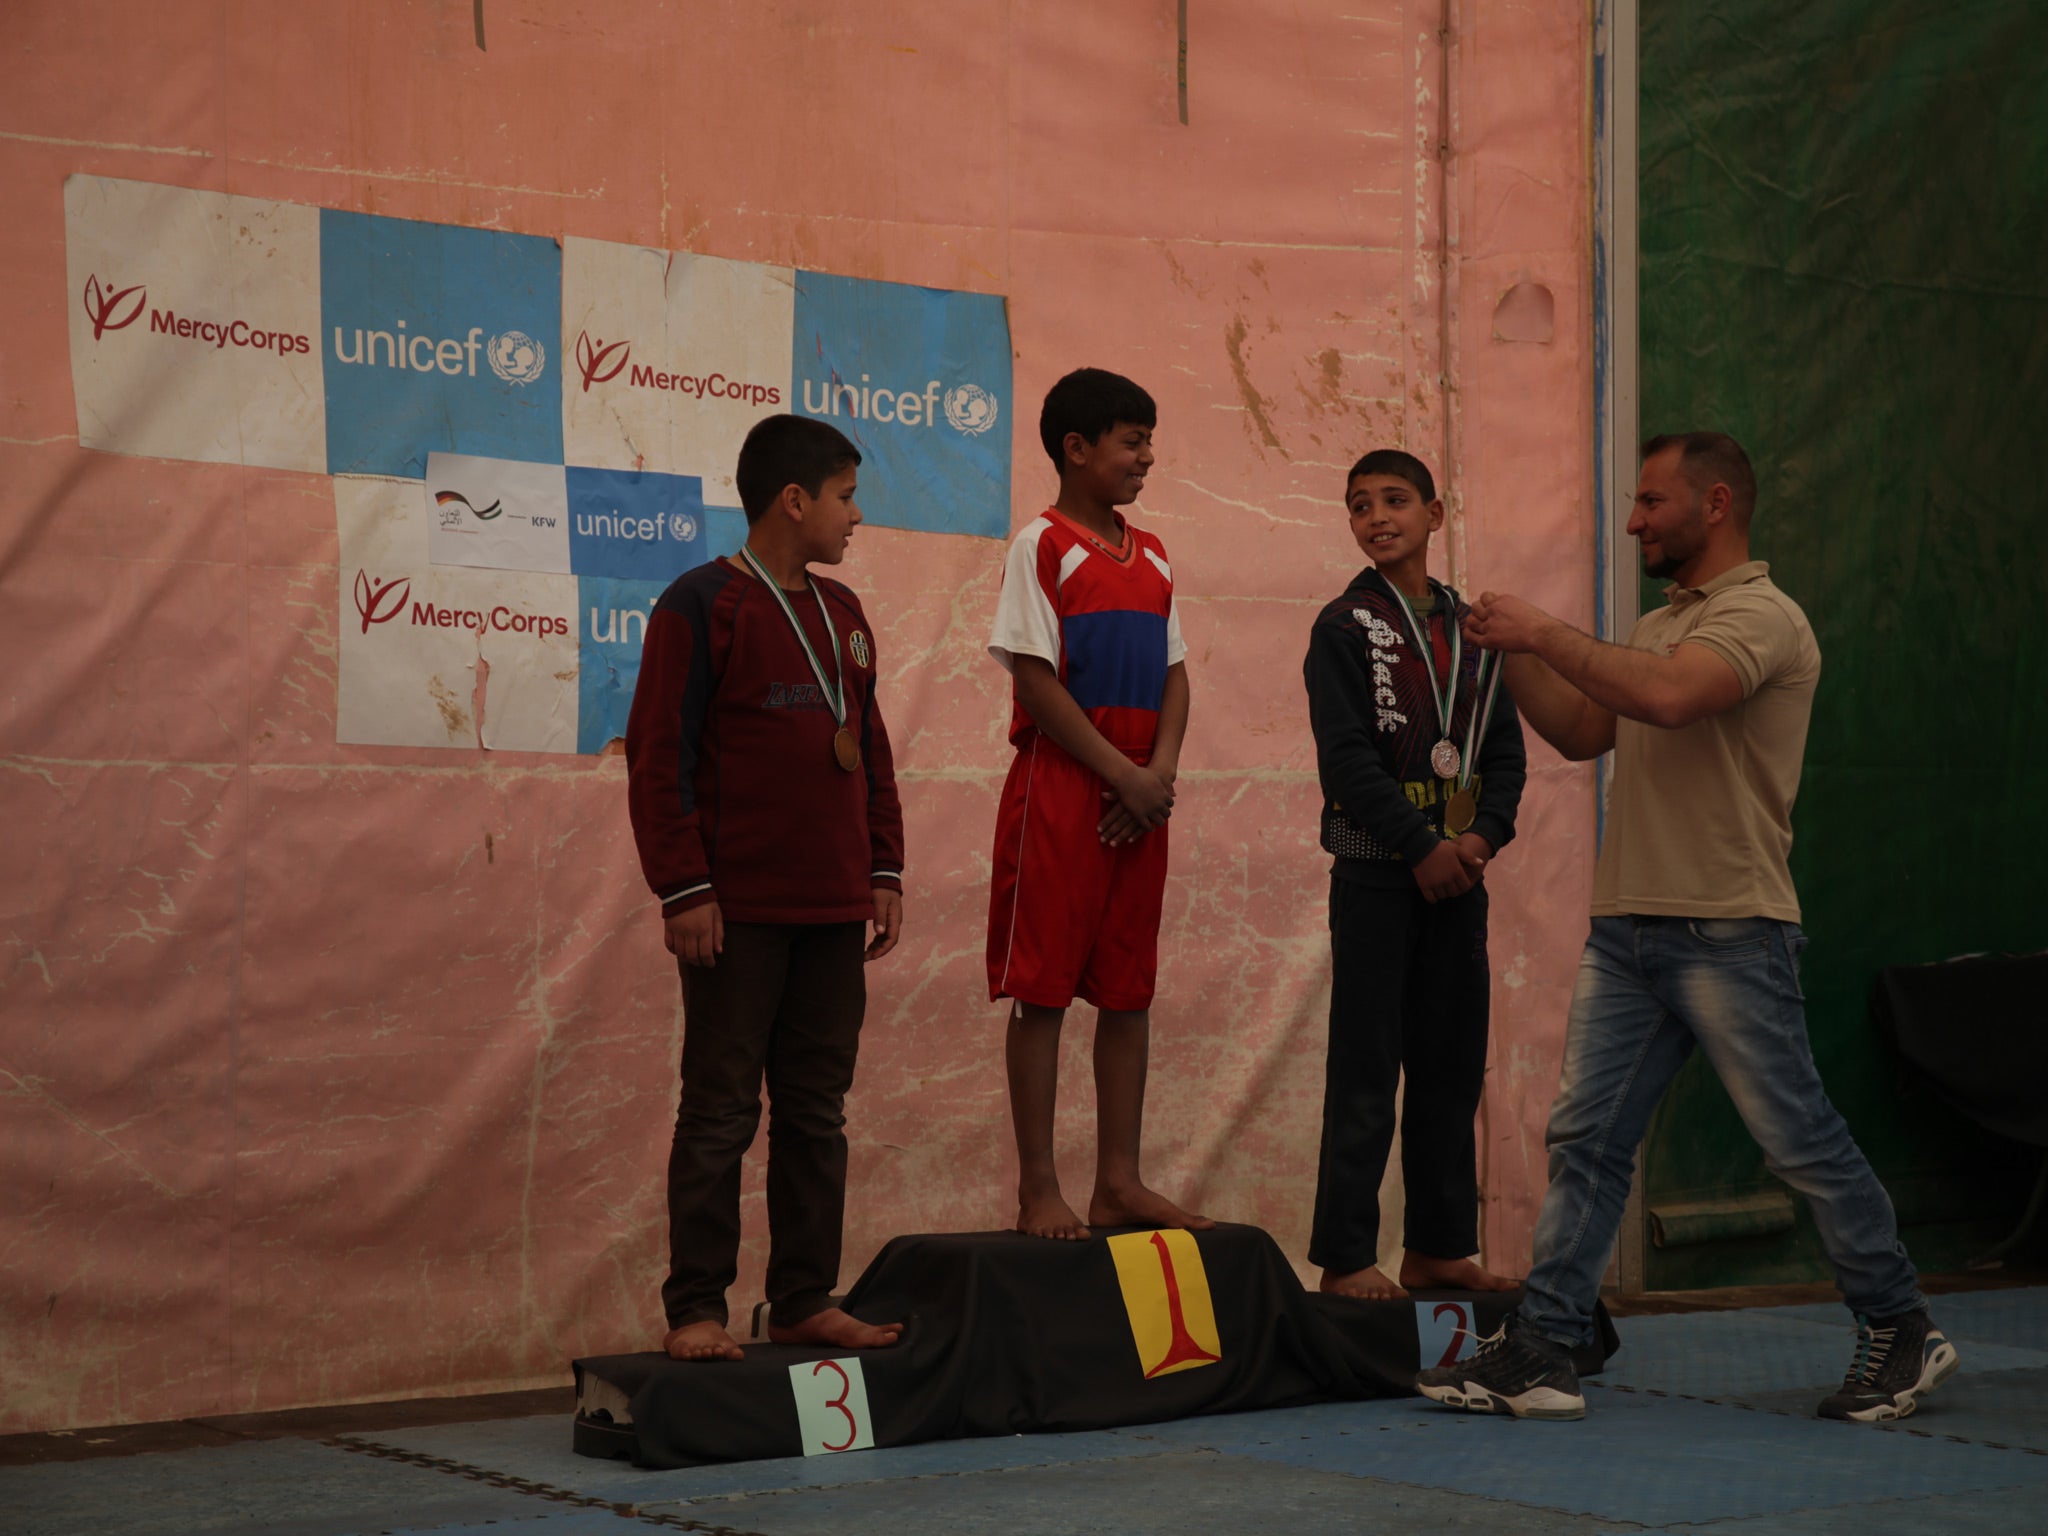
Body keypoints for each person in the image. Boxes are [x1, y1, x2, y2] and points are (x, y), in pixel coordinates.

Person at [1418, 432, 1956, 1422]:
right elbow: (1588, 729)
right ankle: (1543, 1343)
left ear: (1713, 506)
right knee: (1585, 1137)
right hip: (1627, 926)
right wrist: (1506, 653)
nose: (1632, 522)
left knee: (1797, 1140)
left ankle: (1901, 1325)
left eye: (1649, 502)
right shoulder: (1658, 623)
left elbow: (1667, 700)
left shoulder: (1761, 617)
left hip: (1728, 928)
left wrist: (1542, 631)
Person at [625, 413, 907, 1362]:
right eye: (845, 496)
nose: (855, 517)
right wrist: (683, 887)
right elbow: (659, 756)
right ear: (795, 500)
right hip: (734, 912)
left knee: (817, 1111)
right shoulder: (699, 604)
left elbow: (867, 747)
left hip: (833, 907)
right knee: (718, 1110)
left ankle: (801, 1298)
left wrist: (882, 867)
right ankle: (696, 1309)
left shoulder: (847, 614)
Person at [984, 366, 1212, 1241]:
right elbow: (1035, 683)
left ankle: (1119, 1179)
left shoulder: (1151, 553)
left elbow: (1176, 672)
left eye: (1149, 440)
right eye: (1132, 440)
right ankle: (1040, 1189)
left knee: (1128, 992)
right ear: (1077, 451)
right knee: (1041, 993)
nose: (1147, 457)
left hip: (1139, 795)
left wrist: (1157, 776)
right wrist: (1122, 775)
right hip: (1066, 790)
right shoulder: (1040, 545)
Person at [1302, 449, 1526, 1302]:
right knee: (1365, 1068)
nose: (1377, 517)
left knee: (1451, 1067)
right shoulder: (1342, 625)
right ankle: (1346, 1257)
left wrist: (1481, 841)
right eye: (1359, 506)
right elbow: (1347, 761)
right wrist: (1417, 845)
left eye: (1396, 500)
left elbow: (1503, 753)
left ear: (1437, 512)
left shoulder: (1473, 632)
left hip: (1460, 881)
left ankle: (1437, 1245)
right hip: (1378, 879)